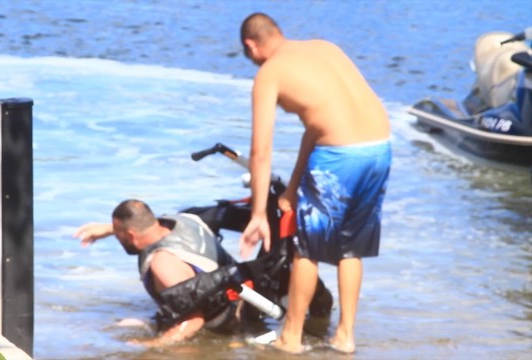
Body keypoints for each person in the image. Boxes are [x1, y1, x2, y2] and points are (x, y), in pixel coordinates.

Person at [238, 13, 392, 354]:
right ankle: (345, 336)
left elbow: (259, 152)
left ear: (251, 45)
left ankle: (290, 337)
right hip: (379, 148)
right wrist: (293, 188)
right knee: (350, 247)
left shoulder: (270, 73)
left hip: (339, 157)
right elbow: (318, 123)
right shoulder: (324, 48)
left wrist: (259, 214)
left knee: (307, 247)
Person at [74, 199, 240, 346]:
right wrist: (111, 229)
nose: (118, 239)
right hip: (241, 293)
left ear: (131, 235)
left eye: (119, 236)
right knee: (127, 324)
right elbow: (143, 224)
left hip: (226, 322)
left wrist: (152, 345)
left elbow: (192, 321)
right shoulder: (184, 220)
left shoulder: (163, 263)